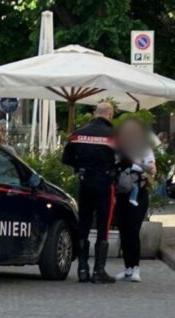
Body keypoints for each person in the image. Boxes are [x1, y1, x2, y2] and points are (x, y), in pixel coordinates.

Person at [62, 102, 118, 284]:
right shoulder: (114, 135)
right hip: (104, 182)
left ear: (95, 113)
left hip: (85, 181)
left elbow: (66, 157)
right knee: (103, 224)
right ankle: (98, 271)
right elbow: (124, 160)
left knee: (84, 222)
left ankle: (82, 269)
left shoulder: (79, 133)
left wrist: (80, 167)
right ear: (110, 114)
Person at [114, 118, 156, 282]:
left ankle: (136, 267)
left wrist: (137, 164)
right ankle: (127, 268)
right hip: (122, 193)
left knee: (133, 229)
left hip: (138, 194)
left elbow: (152, 169)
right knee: (123, 230)